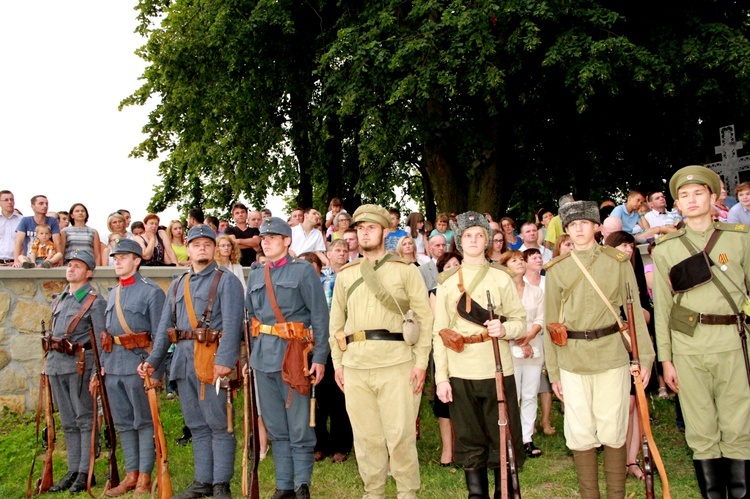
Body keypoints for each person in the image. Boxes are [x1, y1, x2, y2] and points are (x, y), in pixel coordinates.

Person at [543, 200, 654, 499]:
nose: (578, 229)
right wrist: (553, 371)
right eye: (572, 225)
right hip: (572, 357)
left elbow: (633, 315)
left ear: (596, 227)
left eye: (584, 223)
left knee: (613, 427)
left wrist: (645, 357)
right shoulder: (556, 269)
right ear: (566, 231)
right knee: (580, 432)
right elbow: (549, 323)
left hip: (610, 354)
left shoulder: (616, 261)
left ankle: (616, 494)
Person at [653, 165, 750, 498]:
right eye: (683, 196)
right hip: (688, 346)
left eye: (698, 193)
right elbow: (663, 309)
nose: (691, 200)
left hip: (734, 343)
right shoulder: (666, 249)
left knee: (739, 424)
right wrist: (666, 361)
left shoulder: (739, 238)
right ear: (677, 205)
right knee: (700, 427)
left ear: (714, 197)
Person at [329, 204, 433, 499]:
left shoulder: (405, 270)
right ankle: (373, 491)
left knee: (400, 436)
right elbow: (336, 323)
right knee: (366, 438)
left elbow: (424, 318)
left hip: (397, 362)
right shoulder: (346, 274)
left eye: (371, 228)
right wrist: (338, 363)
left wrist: (421, 362)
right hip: (356, 365)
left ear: (385, 232)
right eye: (360, 228)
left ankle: (406, 492)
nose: (364, 233)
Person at [138, 224, 244, 499]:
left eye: (207, 244)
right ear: (189, 247)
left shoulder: (226, 280)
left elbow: (233, 325)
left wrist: (225, 361)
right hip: (183, 363)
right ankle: (203, 481)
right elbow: (164, 329)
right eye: (197, 245)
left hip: (212, 360)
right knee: (196, 424)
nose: (202, 248)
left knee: (219, 423)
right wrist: (153, 361)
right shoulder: (178, 283)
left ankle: (221, 483)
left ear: (214, 249)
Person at [432, 211, 527, 498]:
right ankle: (477, 495)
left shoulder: (502, 277)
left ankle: (503, 492)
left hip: (498, 370)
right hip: (461, 371)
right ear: (459, 242)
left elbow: (520, 320)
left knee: (503, 435)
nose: (473, 240)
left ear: (487, 241)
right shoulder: (447, 282)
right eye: (468, 235)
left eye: (479, 235)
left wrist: (505, 327)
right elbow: (440, 333)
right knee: (470, 437)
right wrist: (441, 379)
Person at [246, 217, 330, 498]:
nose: (266, 241)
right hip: (262, 358)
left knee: (298, 424)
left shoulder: (304, 271)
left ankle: (302, 483)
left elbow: (320, 316)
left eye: (273, 236)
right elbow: (251, 318)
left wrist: (319, 358)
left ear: (287, 241)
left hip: (294, 357)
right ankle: (284, 486)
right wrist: (249, 356)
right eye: (263, 237)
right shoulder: (256, 274)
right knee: (275, 426)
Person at [96, 238, 165, 496]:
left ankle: (145, 476)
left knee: (144, 421)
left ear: (137, 261)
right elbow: (106, 335)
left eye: (123, 257)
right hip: (114, 365)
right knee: (124, 422)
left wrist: (155, 370)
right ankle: (131, 474)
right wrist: (102, 366)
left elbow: (161, 335)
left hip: (139, 365)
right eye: (115, 258)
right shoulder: (113, 292)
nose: (117, 262)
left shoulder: (151, 292)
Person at [45, 250, 106, 493]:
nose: (71, 269)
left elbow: (101, 341)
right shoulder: (60, 299)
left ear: (88, 273)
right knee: (68, 422)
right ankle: (73, 470)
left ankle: (86, 471)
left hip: (81, 366)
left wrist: (98, 373)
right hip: (57, 365)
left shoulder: (94, 301)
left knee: (85, 419)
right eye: (70, 265)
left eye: (78, 266)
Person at [499, 250, 545, 459]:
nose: (518, 263)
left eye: (520, 259)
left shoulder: (536, 291)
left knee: (530, 394)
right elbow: (500, 320)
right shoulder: (501, 292)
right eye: (513, 260)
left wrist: (529, 336)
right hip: (509, 348)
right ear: (505, 265)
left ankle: (527, 438)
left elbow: (541, 319)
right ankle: (511, 438)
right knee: (512, 395)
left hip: (533, 348)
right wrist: (518, 339)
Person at [313, 239, 354, 464]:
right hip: (320, 342)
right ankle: (320, 444)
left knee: (341, 395)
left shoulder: (353, 277)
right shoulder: (319, 278)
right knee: (319, 395)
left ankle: (341, 445)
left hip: (345, 342)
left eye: (345, 250)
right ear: (328, 254)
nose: (341, 253)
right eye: (337, 249)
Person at [427, 251, 463, 467]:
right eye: (447, 265)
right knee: (444, 403)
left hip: (468, 352)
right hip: (444, 350)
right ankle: (447, 450)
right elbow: (439, 324)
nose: (452, 267)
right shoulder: (435, 292)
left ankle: (463, 447)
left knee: (464, 401)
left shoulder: (470, 289)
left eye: (456, 264)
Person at [13, 194, 62, 267]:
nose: (45, 206)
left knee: (59, 254)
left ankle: (47, 263)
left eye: (46, 204)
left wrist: (59, 261)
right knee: (20, 257)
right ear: (32, 206)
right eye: (41, 203)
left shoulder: (53, 221)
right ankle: (26, 264)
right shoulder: (25, 220)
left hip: (47, 257)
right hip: (29, 257)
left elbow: (57, 242)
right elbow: (18, 241)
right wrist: (16, 261)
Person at [0, 190, 21, 265]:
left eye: (11, 199)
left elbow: (25, 242)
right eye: (6, 200)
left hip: (16, 263)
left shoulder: (22, 220)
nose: (9, 202)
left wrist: (17, 261)